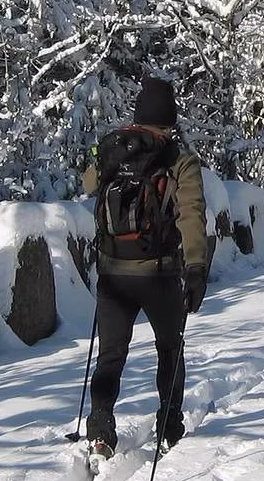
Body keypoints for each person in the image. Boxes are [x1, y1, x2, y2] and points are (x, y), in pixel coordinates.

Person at [81, 75, 208, 457]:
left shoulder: (113, 149)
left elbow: (89, 185)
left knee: (110, 354)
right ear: (171, 118)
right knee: (170, 348)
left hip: (112, 273)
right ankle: (169, 424)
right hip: (159, 273)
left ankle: (101, 426)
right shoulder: (179, 159)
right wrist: (197, 268)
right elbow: (192, 214)